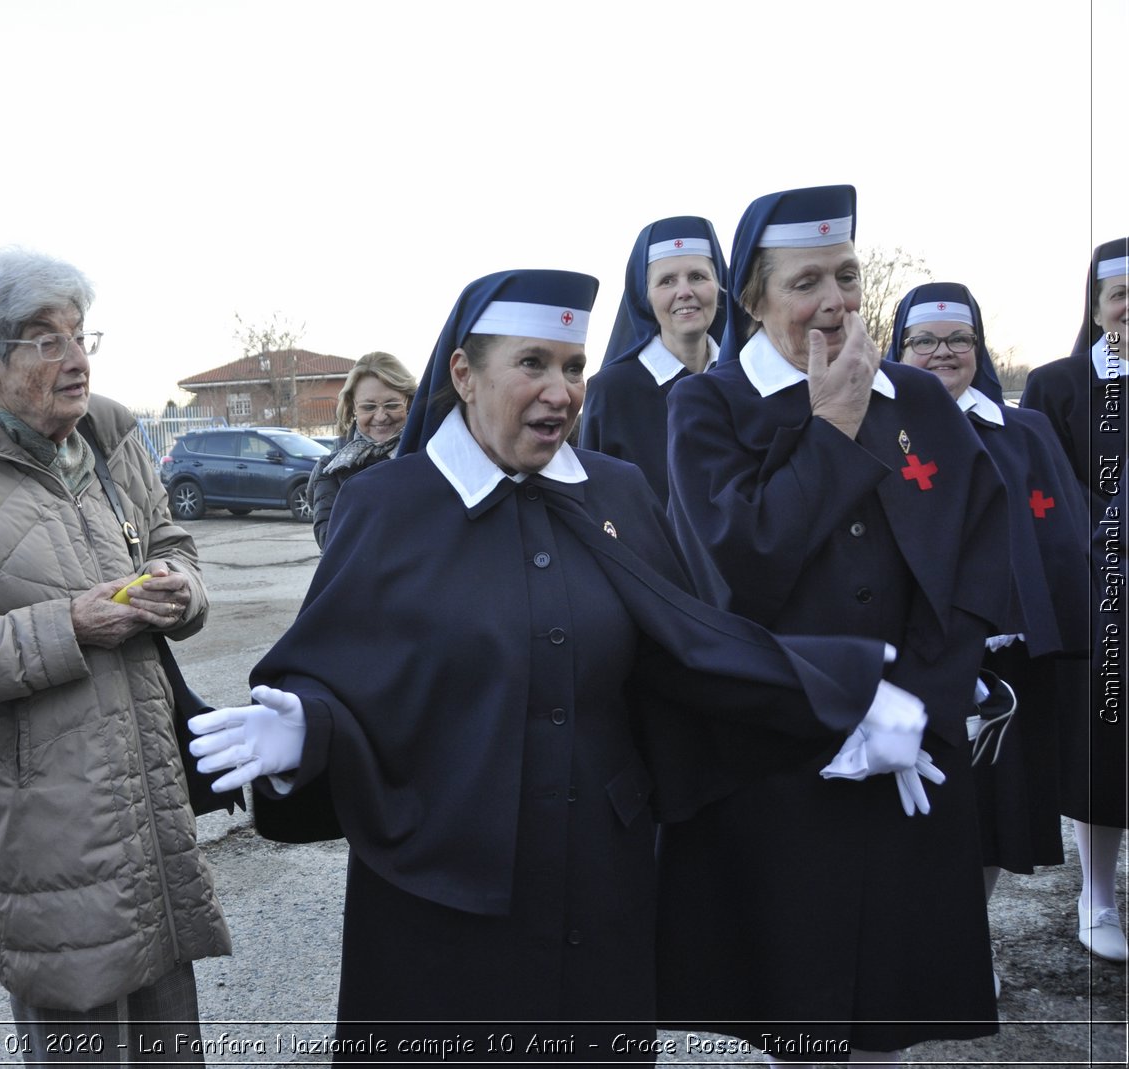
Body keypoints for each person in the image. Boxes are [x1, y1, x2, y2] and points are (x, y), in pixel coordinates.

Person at [187, 268, 928, 1062]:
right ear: (465, 375)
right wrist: (309, 728)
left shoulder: (616, 491)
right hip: (442, 890)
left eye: (573, 367)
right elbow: (340, 669)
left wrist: (841, 694)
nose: (563, 390)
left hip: (596, 880)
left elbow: (687, 647)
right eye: (533, 363)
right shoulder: (389, 504)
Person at [660, 185, 1009, 1064]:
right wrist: (833, 428)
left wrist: (923, 703)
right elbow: (739, 569)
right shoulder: (707, 408)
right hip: (782, 752)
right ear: (754, 297)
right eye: (805, 280)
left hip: (908, 756)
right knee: (800, 1009)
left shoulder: (922, 401)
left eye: (847, 276)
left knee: (890, 1009)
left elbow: (978, 561)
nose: (834, 302)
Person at [0, 247, 229, 1065]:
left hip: (150, 794)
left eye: (79, 332)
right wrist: (68, 626)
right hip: (45, 817)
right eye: (45, 339)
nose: (76, 358)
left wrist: (180, 586)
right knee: (81, 1029)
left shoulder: (109, 430)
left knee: (172, 1032)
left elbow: (173, 541)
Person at [885, 282, 1090, 932]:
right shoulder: (874, 424)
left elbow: (1057, 535)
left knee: (999, 812)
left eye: (958, 339)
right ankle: (917, 931)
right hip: (912, 656)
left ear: (979, 347)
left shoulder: (1022, 429)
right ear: (901, 346)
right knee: (914, 807)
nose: (943, 352)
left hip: (1009, 657)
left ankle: (969, 930)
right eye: (925, 340)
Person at [1022, 237, 1129, 962]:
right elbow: (1048, 491)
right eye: (1121, 295)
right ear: (1095, 307)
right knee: (1108, 747)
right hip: (1105, 594)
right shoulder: (1058, 384)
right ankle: (1098, 894)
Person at [578, 215, 728, 505]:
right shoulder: (611, 392)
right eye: (667, 281)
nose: (684, 292)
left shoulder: (745, 378)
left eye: (697, 276)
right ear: (644, 296)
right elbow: (597, 504)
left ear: (720, 286)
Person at [305, 350, 416, 547]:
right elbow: (332, 544)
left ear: (408, 402)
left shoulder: (431, 457)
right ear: (353, 408)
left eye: (391, 405)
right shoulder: (331, 471)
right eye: (369, 407)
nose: (381, 416)